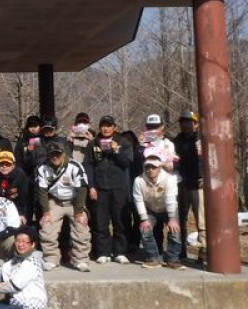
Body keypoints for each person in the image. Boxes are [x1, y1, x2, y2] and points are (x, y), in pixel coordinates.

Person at [84, 115, 133, 265]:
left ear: (114, 127)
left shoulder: (123, 142)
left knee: (120, 220)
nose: (105, 128)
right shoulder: (93, 143)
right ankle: (103, 251)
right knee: (100, 221)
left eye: (108, 125)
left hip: (119, 187)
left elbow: (127, 163)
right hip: (100, 188)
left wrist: (116, 150)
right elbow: (88, 166)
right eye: (103, 126)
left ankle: (120, 251)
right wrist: (91, 186)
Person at [36, 142, 91, 272]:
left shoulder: (75, 166)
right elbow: (42, 191)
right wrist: (46, 212)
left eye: (58, 154)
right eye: (52, 155)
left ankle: (81, 259)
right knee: (47, 227)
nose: (55, 157)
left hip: (74, 201)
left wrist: (79, 211)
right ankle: (51, 259)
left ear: (63, 154)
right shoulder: (42, 168)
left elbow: (82, 189)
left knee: (81, 227)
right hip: (55, 201)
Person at [133, 155, 185, 270]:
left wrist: (172, 218)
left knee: (175, 231)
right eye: (147, 167)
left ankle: (173, 259)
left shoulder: (170, 179)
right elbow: (138, 200)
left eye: (153, 167)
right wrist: (144, 219)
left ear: (160, 167)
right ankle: (153, 258)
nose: (150, 170)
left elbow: (171, 199)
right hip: (150, 209)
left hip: (168, 209)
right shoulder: (138, 180)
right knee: (145, 229)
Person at [173, 111, 206, 259]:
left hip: (198, 183)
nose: (186, 125)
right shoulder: (177, 140)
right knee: (181, 218)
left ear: (196, 124)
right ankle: (181, 250)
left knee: (201, 218)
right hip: (183, 183)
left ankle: (203, 251)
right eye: (184, 122)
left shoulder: (201, 138)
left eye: (190, 122)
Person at [0, 151, 31, 224]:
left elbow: (23, 197)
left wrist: (21, 214)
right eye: (1, 164)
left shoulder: (20, 175)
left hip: (15, 205)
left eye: (8, 164)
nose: (4, 166)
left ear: (13, 165)